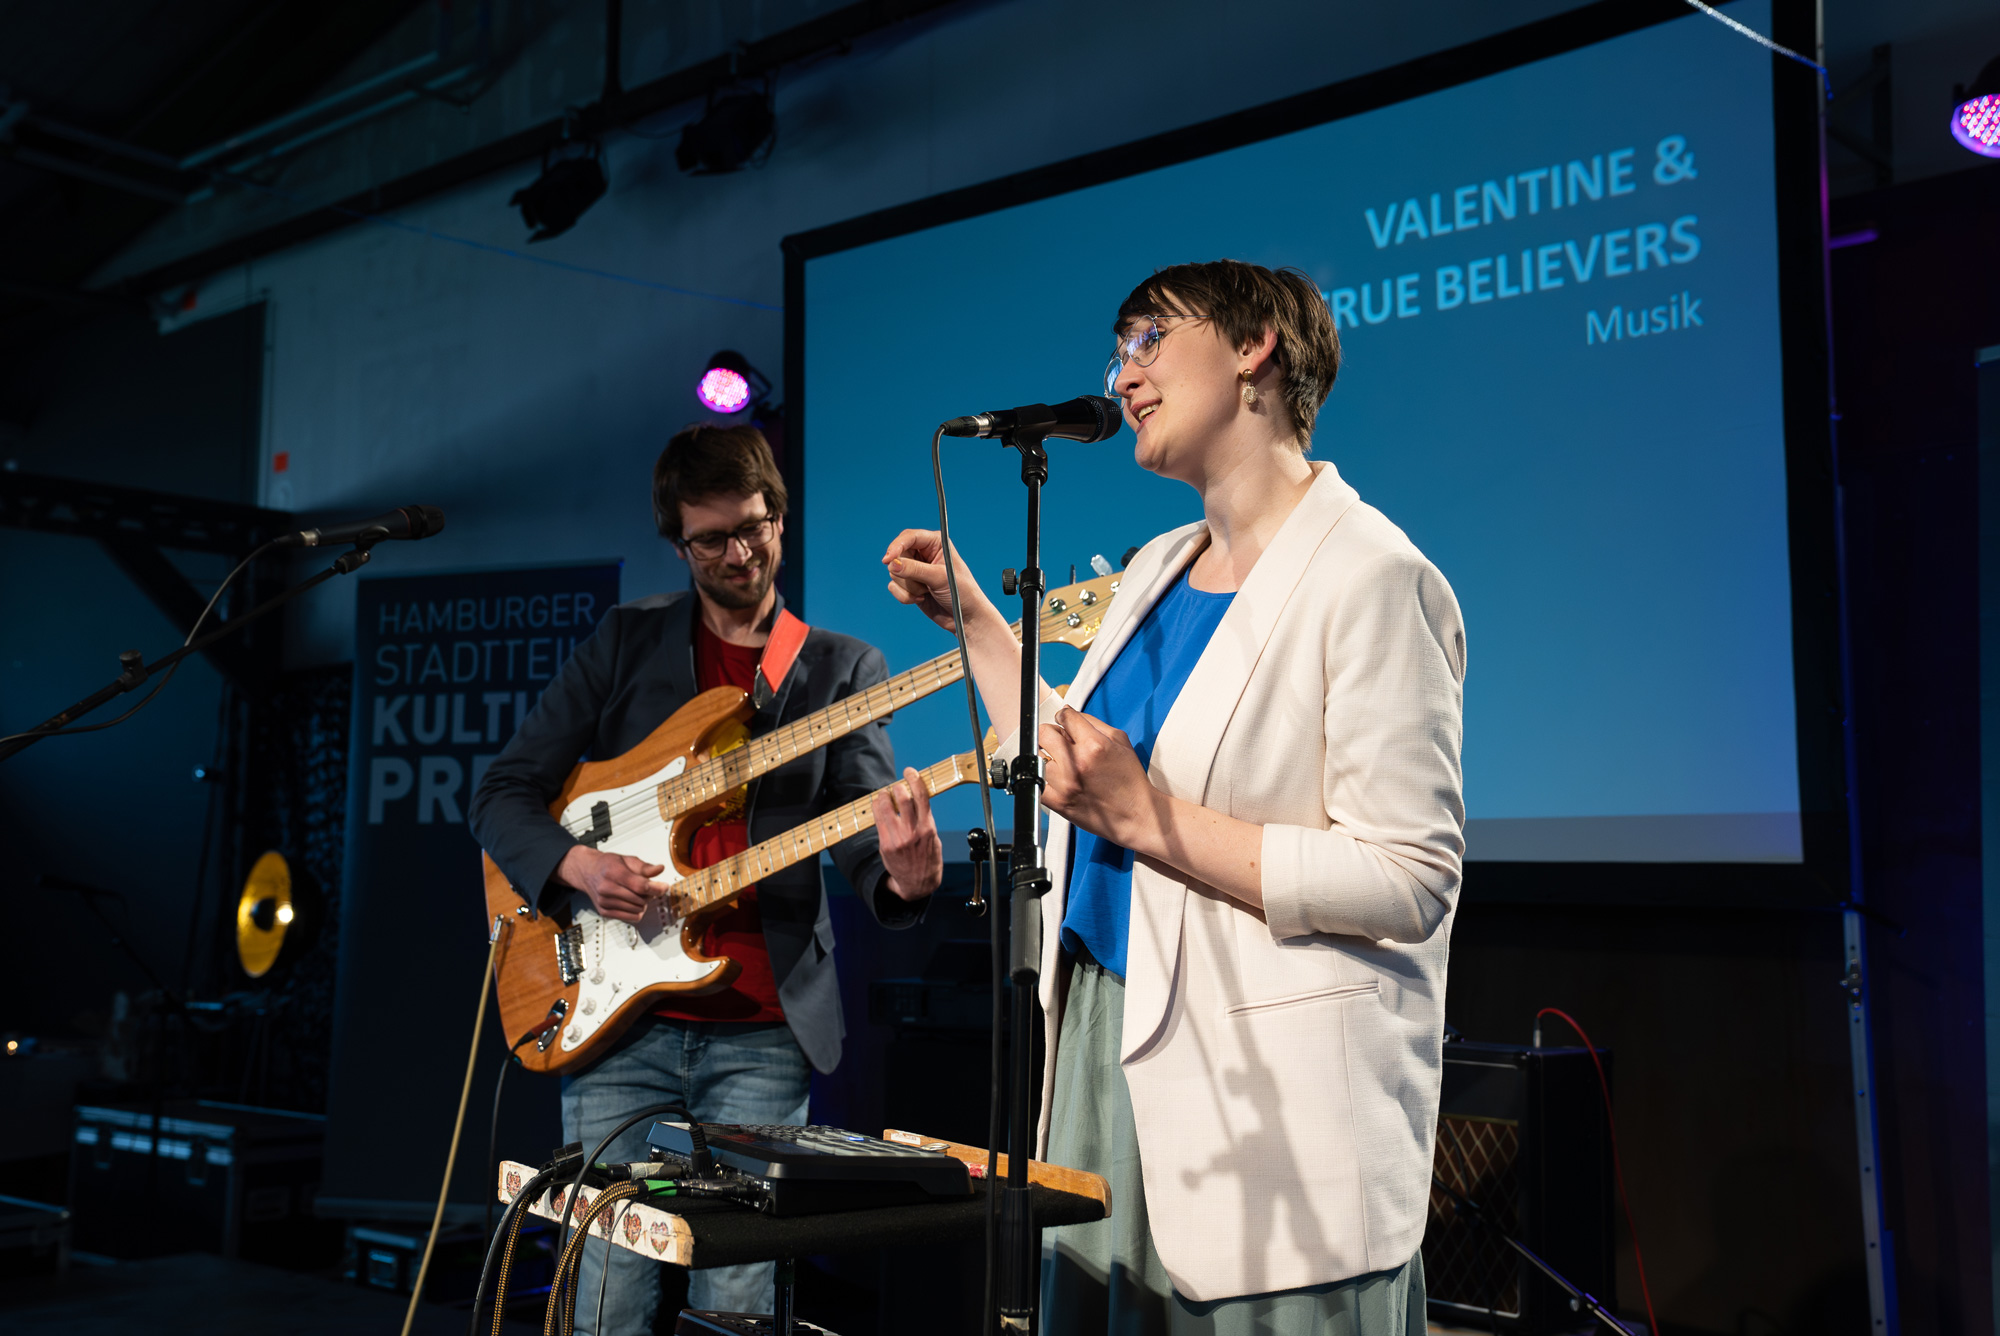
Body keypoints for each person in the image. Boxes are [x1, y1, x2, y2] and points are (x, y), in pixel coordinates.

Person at [883, 260, 1465, 1334]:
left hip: (1269, 1096)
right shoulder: (1156, 565)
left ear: (1255, 349)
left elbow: (1409, 878)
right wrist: (974, 622)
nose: (1123, 373)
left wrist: (1150, 818)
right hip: (1108, 1046)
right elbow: (1074, 769)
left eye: (1148, 337)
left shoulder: (1374, 576)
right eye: (1117, 351)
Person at [471, 423, 943, 1332]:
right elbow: (502, 791)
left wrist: (906, 881)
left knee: (739, 1305)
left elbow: (861, 834)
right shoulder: (627, 640)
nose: (741, 553)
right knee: (607, 1300)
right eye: (713, 538)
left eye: (757, 527)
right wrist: (572, 865)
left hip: (761, 1030)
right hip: (614, 1019)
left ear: (780, 516)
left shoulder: (841, 667)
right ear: (678, 540)